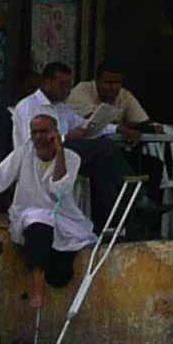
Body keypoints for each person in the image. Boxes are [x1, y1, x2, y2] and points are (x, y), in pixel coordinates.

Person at [0, 114, 96, 344]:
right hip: (30, 219)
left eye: (44, 132)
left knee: (61, 270)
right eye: (35, 132)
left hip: (63, 222)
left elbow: (60, 190)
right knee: (36, 221)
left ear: (55, 133)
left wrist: (59, 152)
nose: (39, 138)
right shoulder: (22, 154)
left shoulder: (71, 158)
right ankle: (37, 287)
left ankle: (48, 278)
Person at [67, 64, 157, 229]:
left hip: (101, 154)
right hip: (71, 152)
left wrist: (120, 126)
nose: (114, 87)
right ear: (97, 82)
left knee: (152, 165)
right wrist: (123, 126)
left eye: (117, 83)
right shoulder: (80, 92)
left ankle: (129, 225)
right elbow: (91, 123)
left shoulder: (123, 95)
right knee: (106, 148)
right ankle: (138, 199)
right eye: (108, 83)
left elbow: (144, 124)